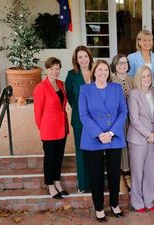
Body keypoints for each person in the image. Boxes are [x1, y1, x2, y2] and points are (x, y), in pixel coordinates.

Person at [79, 60, 128, 223]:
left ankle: (114, 205)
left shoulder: (116, 88)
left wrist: (112, 132)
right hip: (93, 138)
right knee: (96, 175)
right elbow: (83, 115)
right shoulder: (85, 89)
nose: (103, 73)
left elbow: (123, 111)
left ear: (109, 72)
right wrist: (99, 134)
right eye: (99, 70)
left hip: (113, 137)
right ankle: (99, 208)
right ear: (94, 72)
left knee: (114, 174)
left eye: (105, 70)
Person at [33, 57, 69, 199]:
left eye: (57, 68)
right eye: (52, 69)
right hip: (48, 129)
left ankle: (57, 182)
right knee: (50, 158)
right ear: (47, 70)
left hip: (62, 127)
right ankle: (50, 185)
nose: (55, 71)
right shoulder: (40, 88)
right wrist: (42, 128)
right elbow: (38, 112)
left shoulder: (61, 84)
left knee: (59, 157)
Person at [127, 66, 154, 213]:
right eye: (143, 76)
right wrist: (148, 134)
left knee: (150, 171)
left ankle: (149, 200)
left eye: (148, 76)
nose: (146, 79)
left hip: (152, 138)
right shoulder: (134, 94)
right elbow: (134, 120)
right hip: (138, 139)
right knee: (137, 172)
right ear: (138, 78)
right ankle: (137, 202)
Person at [65, 45, 93, 193]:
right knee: (81, 151)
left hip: (96, 120)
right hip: (79, 119)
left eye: (85, 56)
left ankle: (95, 182)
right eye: (80, 57)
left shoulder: (96, 72)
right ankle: (83, 184)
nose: (83, 60)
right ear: (76, 60)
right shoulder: (71, 75)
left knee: (95, 151)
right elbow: (70, 97)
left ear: (90, 57)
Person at [110, 54, 135, 192]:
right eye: (119, 63)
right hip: (117, 120)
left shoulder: (132, 80)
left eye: (125, 63)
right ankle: (121, 175)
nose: (122, 65)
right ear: (114, 65)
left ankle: (129, 174)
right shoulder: (111, 81)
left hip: (131, 119)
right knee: (119, 146)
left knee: (129, 144)